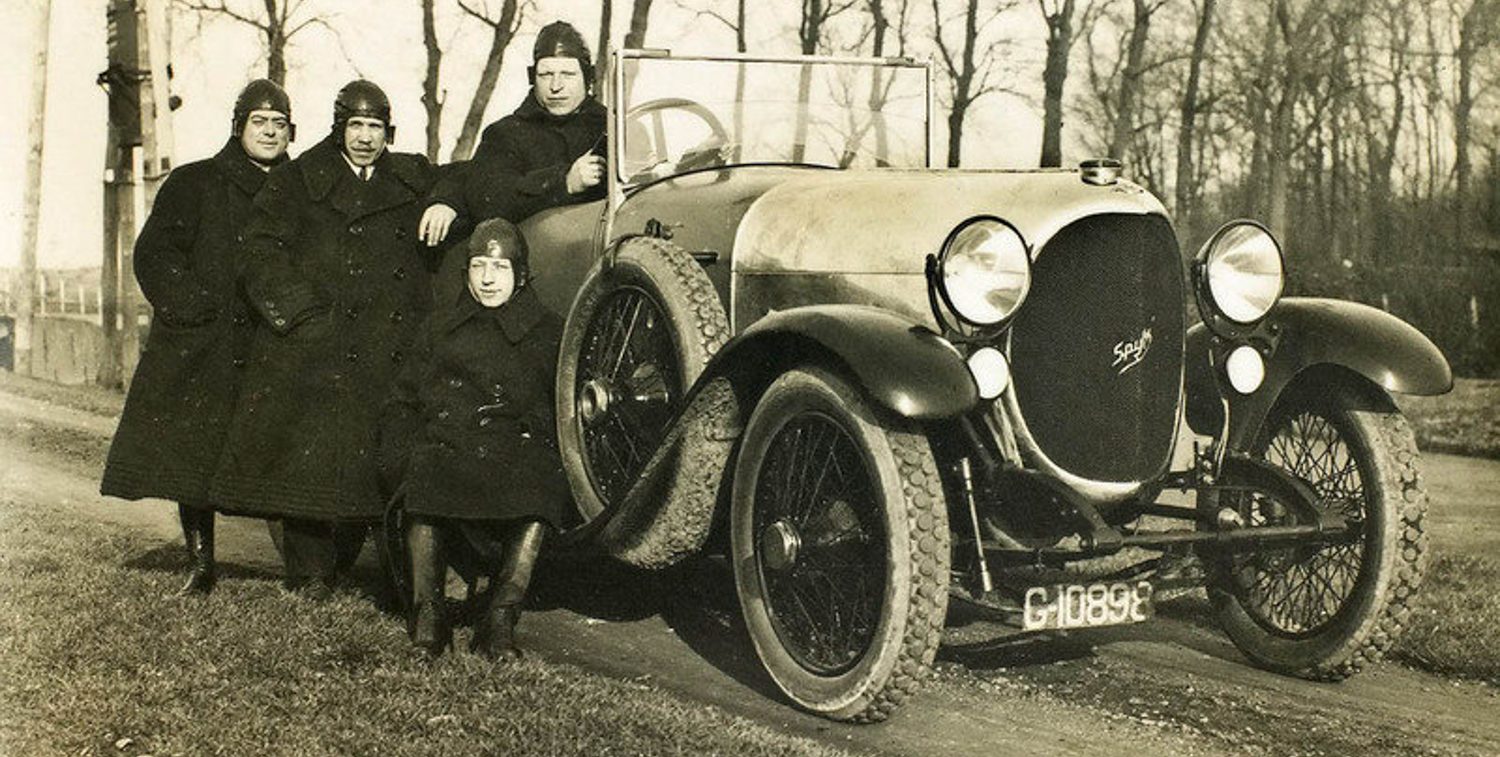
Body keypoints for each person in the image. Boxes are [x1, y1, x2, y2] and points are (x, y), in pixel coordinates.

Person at [210, 80, 460, 596]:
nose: (366, 138)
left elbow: (466, 182)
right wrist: (301, 314)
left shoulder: (412, 177)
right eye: (357, 126)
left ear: (387, 131)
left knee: (381, 458)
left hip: (389, 347)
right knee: (311, 462)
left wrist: (447, 203)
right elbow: (259, 252)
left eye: (375, 127)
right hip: (317, 346)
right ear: (338, 126)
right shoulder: (297, 180)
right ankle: (311, 574)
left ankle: (392, 575)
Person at [101, 79, 295, 595]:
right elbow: (155, 255)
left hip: (272, 343)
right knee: (196, 456)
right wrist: (191, 308)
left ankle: (303, 571)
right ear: (239, 127)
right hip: (207, 344)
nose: (270, 132)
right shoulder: (196, 182)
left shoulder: (301, 189)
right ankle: (202, 564)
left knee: (281, 451)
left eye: (279, 124)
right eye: (260, 122)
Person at [379, 219, 567, 658]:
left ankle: (500, 621)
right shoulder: (440, 328)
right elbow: (402, 399)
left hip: (512, 452)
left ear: (521, 276)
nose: (487, 279)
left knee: (541, 485)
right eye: (479, 266)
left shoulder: (548, 332)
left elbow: (559, 405)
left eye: (500, 269)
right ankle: (430, 620)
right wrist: (399, 454)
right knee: (424, 472)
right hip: (448, 446)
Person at [432, 20, 606, 225]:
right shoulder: (504, 134)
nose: (556, 86)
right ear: (533, 78)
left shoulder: (614, 129)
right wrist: (564, 182)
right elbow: (487, 202)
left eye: (568, 74)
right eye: (546, 74)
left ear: (588, 79)